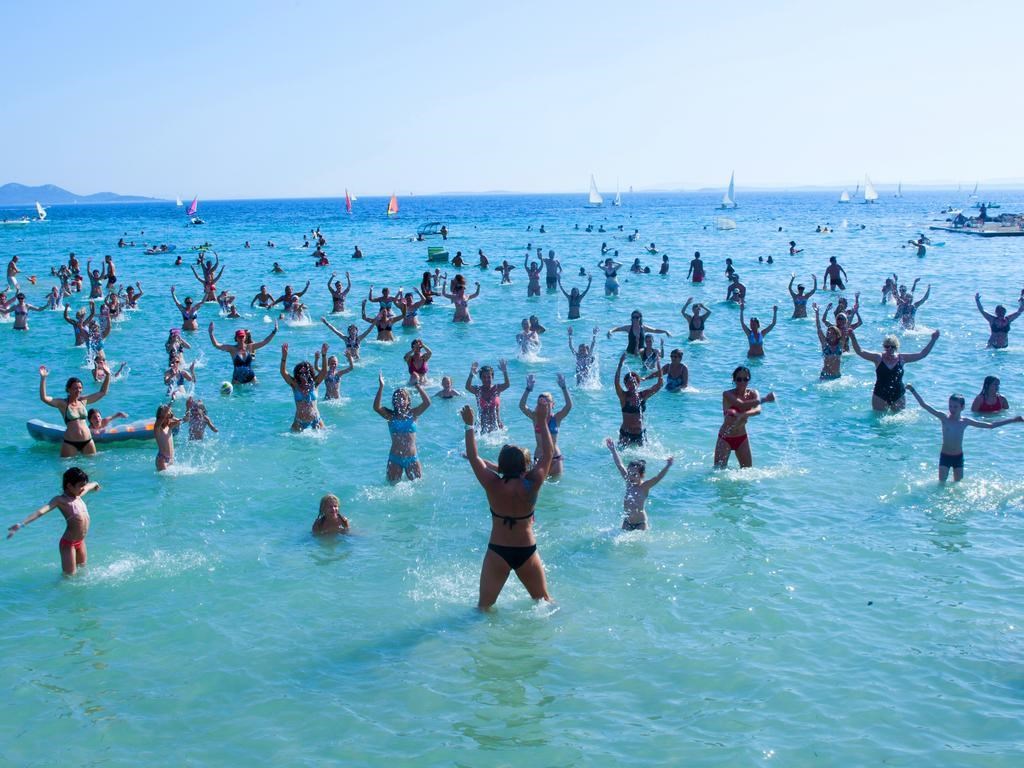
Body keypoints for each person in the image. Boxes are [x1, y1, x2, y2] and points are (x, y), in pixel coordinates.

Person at [461, 402, 554, 610]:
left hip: (498, 551)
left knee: (483, 607)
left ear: (501, 465)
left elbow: (474, 457)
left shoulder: (492, 484)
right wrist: (541, 421)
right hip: (526, 550)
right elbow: (548, 455)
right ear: (526, 466)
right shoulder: (532, 484)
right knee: (545, 602)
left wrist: (469, 425)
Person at [906, 384, 1023, 482]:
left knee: (957, 485)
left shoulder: (965, 422)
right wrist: (913, 390)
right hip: (945, 456)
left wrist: (1012, 420)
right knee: (941, 484)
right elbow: (924, 405)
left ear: (962, 407)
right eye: (950, 406)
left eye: (955, 407)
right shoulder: (944, 418)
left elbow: (990, 426)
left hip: (958, 457)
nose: (952, 409)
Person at [7, 466, 100, 575]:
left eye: (83, 486)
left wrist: (96, 485)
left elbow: (91, 485)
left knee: (82, 571)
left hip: (81, 542)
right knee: (69, 577)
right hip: (68, 544)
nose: (83, 488)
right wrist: (21, 524)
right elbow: (40, 512)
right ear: (69, 486)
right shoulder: (60, 500)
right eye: (80, 486)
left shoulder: (79, 495)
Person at [849, 331, 940, 412]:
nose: (889, 349)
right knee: (878, 424)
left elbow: (922, 354)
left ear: (896, 347)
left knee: (898, 424)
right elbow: (860, 351)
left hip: (898, 394)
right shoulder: (878, 358)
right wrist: (853, 337)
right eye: (886, 346)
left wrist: (933, 340)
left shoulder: (902, 358)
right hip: (880, 394)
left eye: (892, 347)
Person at [39, 365, 110, 457]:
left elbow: (102, 392)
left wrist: (108, 375)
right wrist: (43, 378)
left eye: (80, 388)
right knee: (66, 468)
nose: (78, 390)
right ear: (68, 389)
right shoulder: (63, 403)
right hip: (70, 443)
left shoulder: (84, 401)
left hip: (88, 441)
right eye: (75, 388)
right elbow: (44, 398)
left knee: (92, 469)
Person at [374, 373, 431, 482]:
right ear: (394, 402)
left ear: (408, 401)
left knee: (418, 489)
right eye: (397, 399)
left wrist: (417, 385)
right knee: (391, 489)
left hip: (412, 458)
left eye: (403, 398)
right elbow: (376, 407)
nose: (400, 401)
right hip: (395, 458)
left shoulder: (413, 414)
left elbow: (427, 403)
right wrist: (381, 387)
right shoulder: (390, 416)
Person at [714, 366, 775, 469]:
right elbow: (741, 405)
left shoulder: (753, 393)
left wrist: (742, 415)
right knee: (718, 471)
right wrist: (765, 399)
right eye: (739, 379)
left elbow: (757, 410)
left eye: (745, 379)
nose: (742, 382)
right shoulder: (727, 394)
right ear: (734, 380)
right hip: (725, 437)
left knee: (747, 472)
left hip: (742, 437)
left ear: (749, 380)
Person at [605, 440, 673, 530]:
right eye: (629, 473)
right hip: (627, 522)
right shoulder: (629, 482)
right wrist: (613, 450)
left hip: (640, 523)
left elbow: (657, 478)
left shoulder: (644, 487)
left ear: (641, 475)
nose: (630, 476)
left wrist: (668, 465)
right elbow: (620, 465)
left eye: (634, 475)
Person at [519, 373, 572, 477]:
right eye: (541, 402)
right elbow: (522, 406)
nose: (544, 403)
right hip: (539, 458)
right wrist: (528, 389)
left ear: (553, 404)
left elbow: (569, 406)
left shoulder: (556, 418)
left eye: (547, 401)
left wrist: (564, 387)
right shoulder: (535, 417)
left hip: (555, 458)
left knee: (556, 489)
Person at [615, 353, 663, 447]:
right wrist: (620, 364)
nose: (631, 384)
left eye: (634, 382)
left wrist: (658, 364)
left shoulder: (643, 395)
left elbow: (659, 384)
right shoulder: (623, 397)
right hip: (626, 434)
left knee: (644, 459)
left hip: (640, 433)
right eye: (628, 383)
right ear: (625, 385)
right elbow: (616, 382)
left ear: (638, 383)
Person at [209, 322, 278, 385]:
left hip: (251, 378)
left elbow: (264, 342)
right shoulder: (232, 349)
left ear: (245, 337)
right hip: (237, 379)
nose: (241, 338)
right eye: (239, 337)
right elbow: (216, 345)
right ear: (236, 338)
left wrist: (274, 332)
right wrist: (211, 333)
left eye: (242, 336)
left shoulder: (250, 347)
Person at [280, 343, 329, 431]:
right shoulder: (295, 385)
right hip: (299, 422)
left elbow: (324, 371)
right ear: (297, 374)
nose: (304, 375)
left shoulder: (315, 384)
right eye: (301, 373)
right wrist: (284, 356)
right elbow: (283, 372)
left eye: (306, 373)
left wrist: (324, 355)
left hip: (316, 420)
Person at [466, 360, 510, 433]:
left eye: (489, 377)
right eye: (484, 377)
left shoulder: (497, 388)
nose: (486, 379)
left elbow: (507, 384)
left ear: (492, 377)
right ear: (481, 378)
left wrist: (504, 371)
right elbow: (467, 387)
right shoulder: (478, 390)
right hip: (480, 427)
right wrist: (471, 374)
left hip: (496, 427)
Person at [813, 304, 844, 379]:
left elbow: (847, 325)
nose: (830, 335)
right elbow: (819, 329)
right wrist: (817, 314)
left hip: (837, 377)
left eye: (833, 333)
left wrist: (853, 313)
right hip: (825, 376)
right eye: (829, 333)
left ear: (837, 335)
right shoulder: (825, 344)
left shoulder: (840, 344)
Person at [154, 403, 182, 471]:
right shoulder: (157, 427)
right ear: (160, 415)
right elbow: (163, 417)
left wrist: (188, 408)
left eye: (169, 413)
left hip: (170, 459)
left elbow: (180, 421)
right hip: (162, 460)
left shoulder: (169, 426)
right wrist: (172, 401)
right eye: (165, 412)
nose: (166, 414)